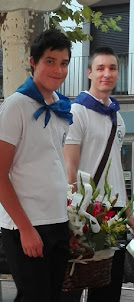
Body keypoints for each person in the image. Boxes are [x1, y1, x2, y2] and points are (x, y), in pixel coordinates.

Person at [61, 47, 134, 302]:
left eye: (112, 68)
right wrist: (72, 216)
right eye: (100, 68)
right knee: (72, 285)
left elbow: (115, 169)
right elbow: (69, 169)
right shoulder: (77, 111)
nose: (107, 73)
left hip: (115, 213)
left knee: (108, 288)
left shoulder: (118, 118)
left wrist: (129, 214)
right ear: (89, 73)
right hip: (87, 211)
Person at [0, 28, 73, 302]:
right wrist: (26, 229)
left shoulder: (61, 108)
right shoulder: (16, 106)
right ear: (34, 62)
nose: (58, 70)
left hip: (57, 222)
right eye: (50, 61)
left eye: (64, 63)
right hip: (27, 226)